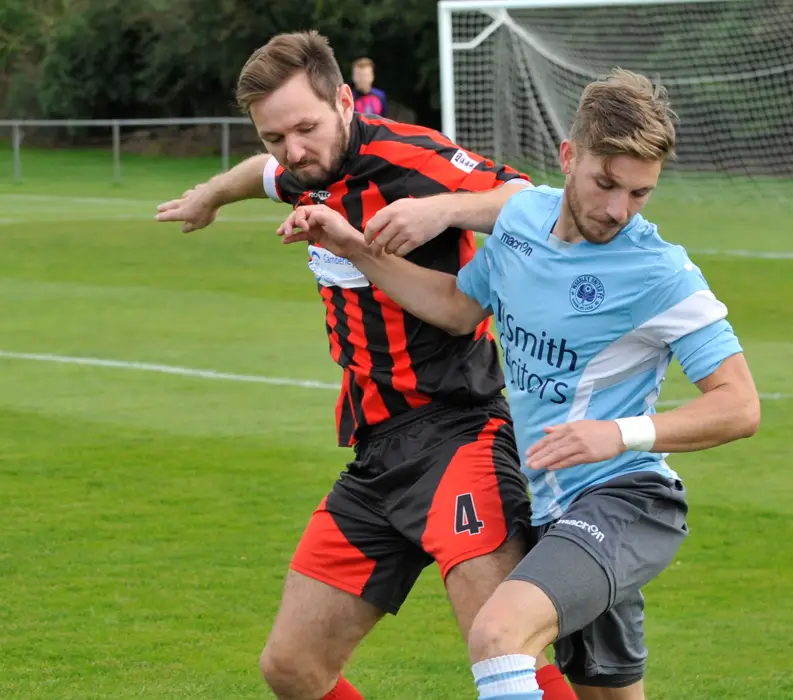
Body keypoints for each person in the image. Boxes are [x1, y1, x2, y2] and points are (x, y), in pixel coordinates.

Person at [274, 68, 761, 700]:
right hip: (554, 511)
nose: (618, 209)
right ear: (568, 157)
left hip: (627, 500)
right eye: (605, 183)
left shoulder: (659, 271)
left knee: (498, 635)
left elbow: (740, 405)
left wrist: (618, 434)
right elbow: (455, 307)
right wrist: (353, 247)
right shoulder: (522, 222)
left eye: (639, 194)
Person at [154, 31, 577, 700]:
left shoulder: (410, 158)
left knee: (504, 651)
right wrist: (209, 195)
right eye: (274, 137)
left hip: (458, 433)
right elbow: (259, 175)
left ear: (345, 100)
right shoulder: (302, 169)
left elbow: (537, 205)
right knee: (291, 666)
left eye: (305, 128)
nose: (293, 150)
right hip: (376, 454)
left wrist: (442, 208)